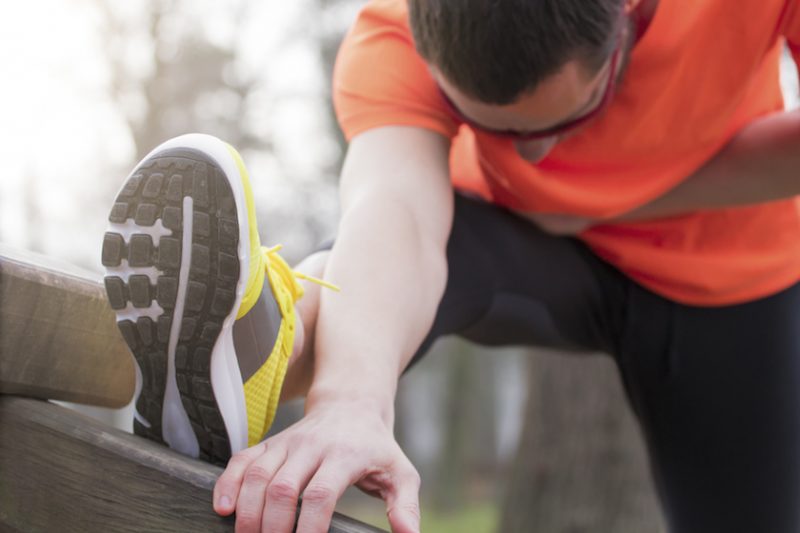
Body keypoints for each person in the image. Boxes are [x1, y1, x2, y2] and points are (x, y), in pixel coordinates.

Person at [101, 0, 800, 531]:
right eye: (500, 127)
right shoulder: (393, 34)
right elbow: (396, 209)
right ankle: (254, 343)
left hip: (732, 275)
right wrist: (350, 404)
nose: (537, 157)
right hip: (524, 246)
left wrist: (626, 197)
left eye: (568, 116)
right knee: (393, 255)